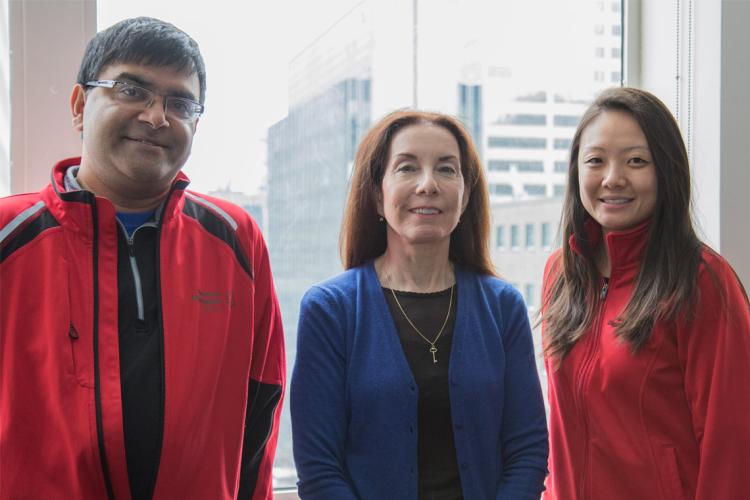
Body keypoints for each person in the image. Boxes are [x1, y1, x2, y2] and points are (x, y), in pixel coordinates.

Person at [0, 17, 285, 499]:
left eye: (180, 103)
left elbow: (262, 405)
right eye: (132, 90)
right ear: (79, 105)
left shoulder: (236, 240)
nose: (157, 116)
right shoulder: (9, 237)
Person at [290, 110, 548, 499]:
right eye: (407, 168)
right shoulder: (331, 310)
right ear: (377, 194)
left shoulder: (502, 307)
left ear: (465, 195)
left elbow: (527, 451)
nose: (428, 185)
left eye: (446, 170)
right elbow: (319, 469)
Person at [541, 87, 750, 500]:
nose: (612, 178)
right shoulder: (561, 273)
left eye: (636, 161)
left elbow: (732, 443)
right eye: (595, 160)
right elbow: (560, 429)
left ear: (666, 171)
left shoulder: (702, 280)